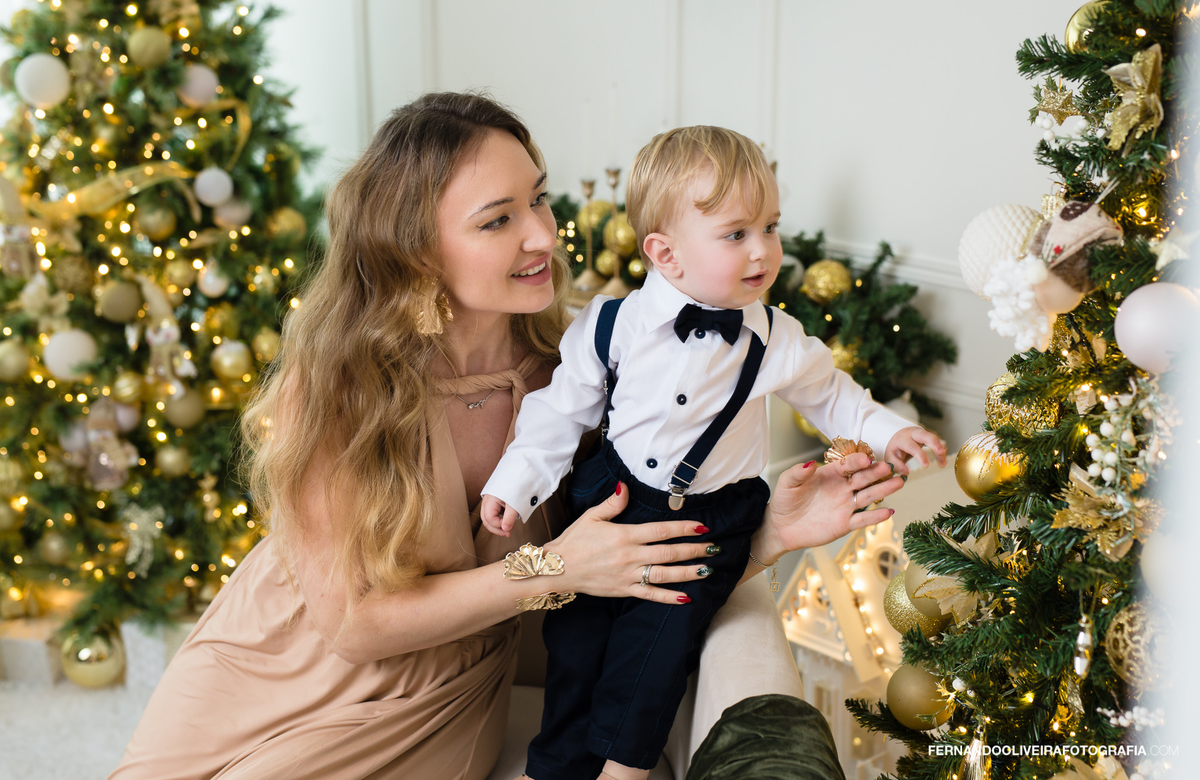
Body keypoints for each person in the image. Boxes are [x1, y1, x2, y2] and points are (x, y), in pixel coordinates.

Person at [109, 93, 923, 780]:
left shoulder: (568, 370)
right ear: (416, 249)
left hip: (435, 704)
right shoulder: (339, 385)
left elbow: (637, 553)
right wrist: (553, 566)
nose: (542, 234)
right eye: (498, 219)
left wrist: (771, 534)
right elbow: (354, 623)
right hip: (276, 668)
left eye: (538, 198)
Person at [479, 125, 946, 780]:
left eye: (770, 226)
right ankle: (554, 764)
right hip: (610, 501)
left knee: (653, 656)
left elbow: (831, 397)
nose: (764, 250)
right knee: (576, 645)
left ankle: (624, 770)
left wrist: (888, 430)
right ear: (664, 253)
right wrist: (515, 481)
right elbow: (559, 412)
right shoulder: (610, 325)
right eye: (736, 234)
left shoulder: (775, 338)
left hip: (706, 522)